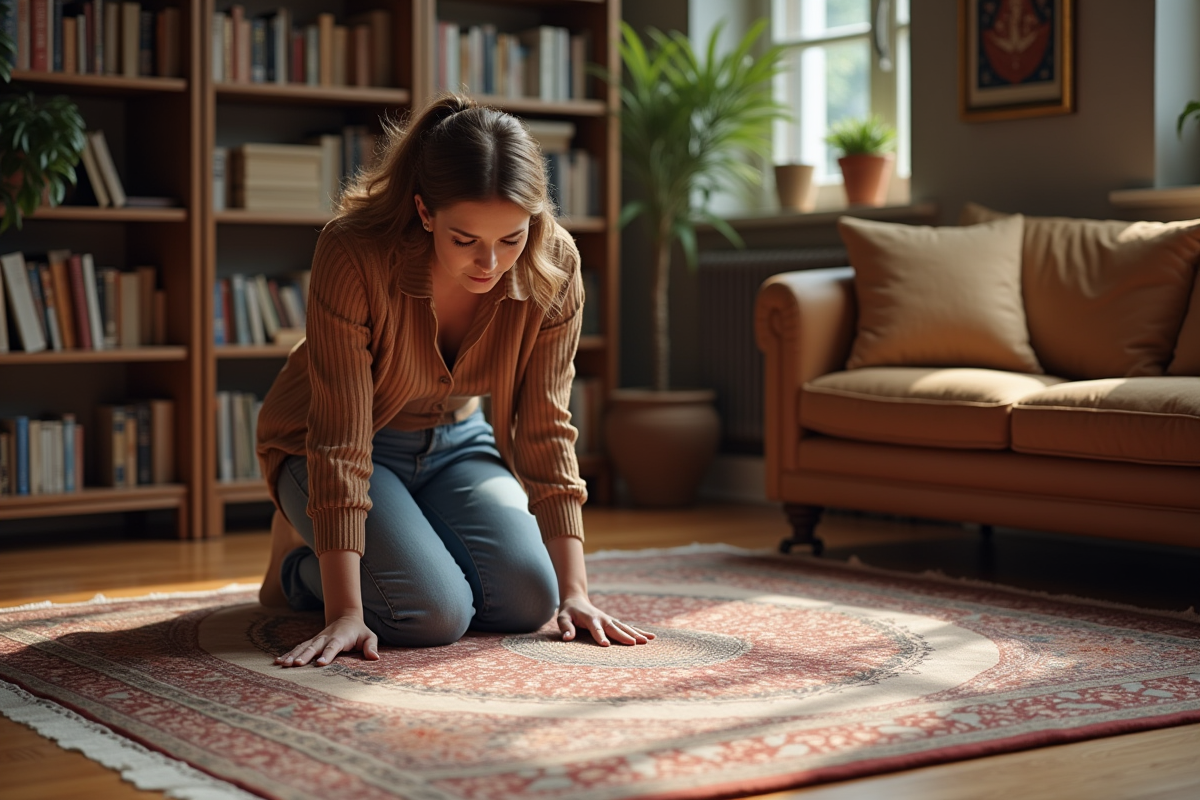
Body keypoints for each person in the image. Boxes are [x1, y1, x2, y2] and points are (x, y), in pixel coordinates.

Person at [254, 94, 653, 668]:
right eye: (465, 240)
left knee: (529, 600)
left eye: (511, 239)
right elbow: (340, 436)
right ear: (424, 212)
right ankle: (297, 567)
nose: (490, 263)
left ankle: (405, 542)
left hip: (457, 442)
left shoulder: (556, 265)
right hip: (328, 442)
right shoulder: (353, 251)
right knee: (430, 614)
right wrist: (345, 611)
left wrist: (576, 594)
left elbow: (546, 424)